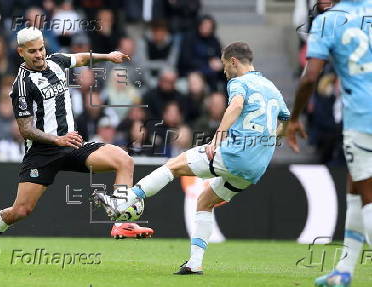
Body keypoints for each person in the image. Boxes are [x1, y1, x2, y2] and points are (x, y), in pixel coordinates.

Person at [95, 42, 291, 274]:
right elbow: (286, 121)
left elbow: (236, 105)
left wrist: (218, 140)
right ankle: (195, 263)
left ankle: (123, 203)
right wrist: (269, 138)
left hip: (234, 154)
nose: (225, 70)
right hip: (257, 166)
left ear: (234, 61)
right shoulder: (271, 88)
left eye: (225, 65)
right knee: (204, 202)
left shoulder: (239, 82)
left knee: (173, 165)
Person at [0, 27, 136, 269]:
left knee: (124, 160)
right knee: (21, 210)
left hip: (71, 143)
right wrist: (56, 140)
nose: (39, 55)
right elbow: (25, 129)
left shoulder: (56, 62)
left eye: (41, 49)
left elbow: (79, 58)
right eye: (32, 51)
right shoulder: (21, 86)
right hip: (42, 153)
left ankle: (121, 222)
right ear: (21, 52)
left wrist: (108, 56)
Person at [286, 1, 372, 286]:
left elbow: (311, 76)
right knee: (355, 190)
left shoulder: (327, 21)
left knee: (368, 195)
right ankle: (344, 270)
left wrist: (295, 117)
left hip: (363, 116)